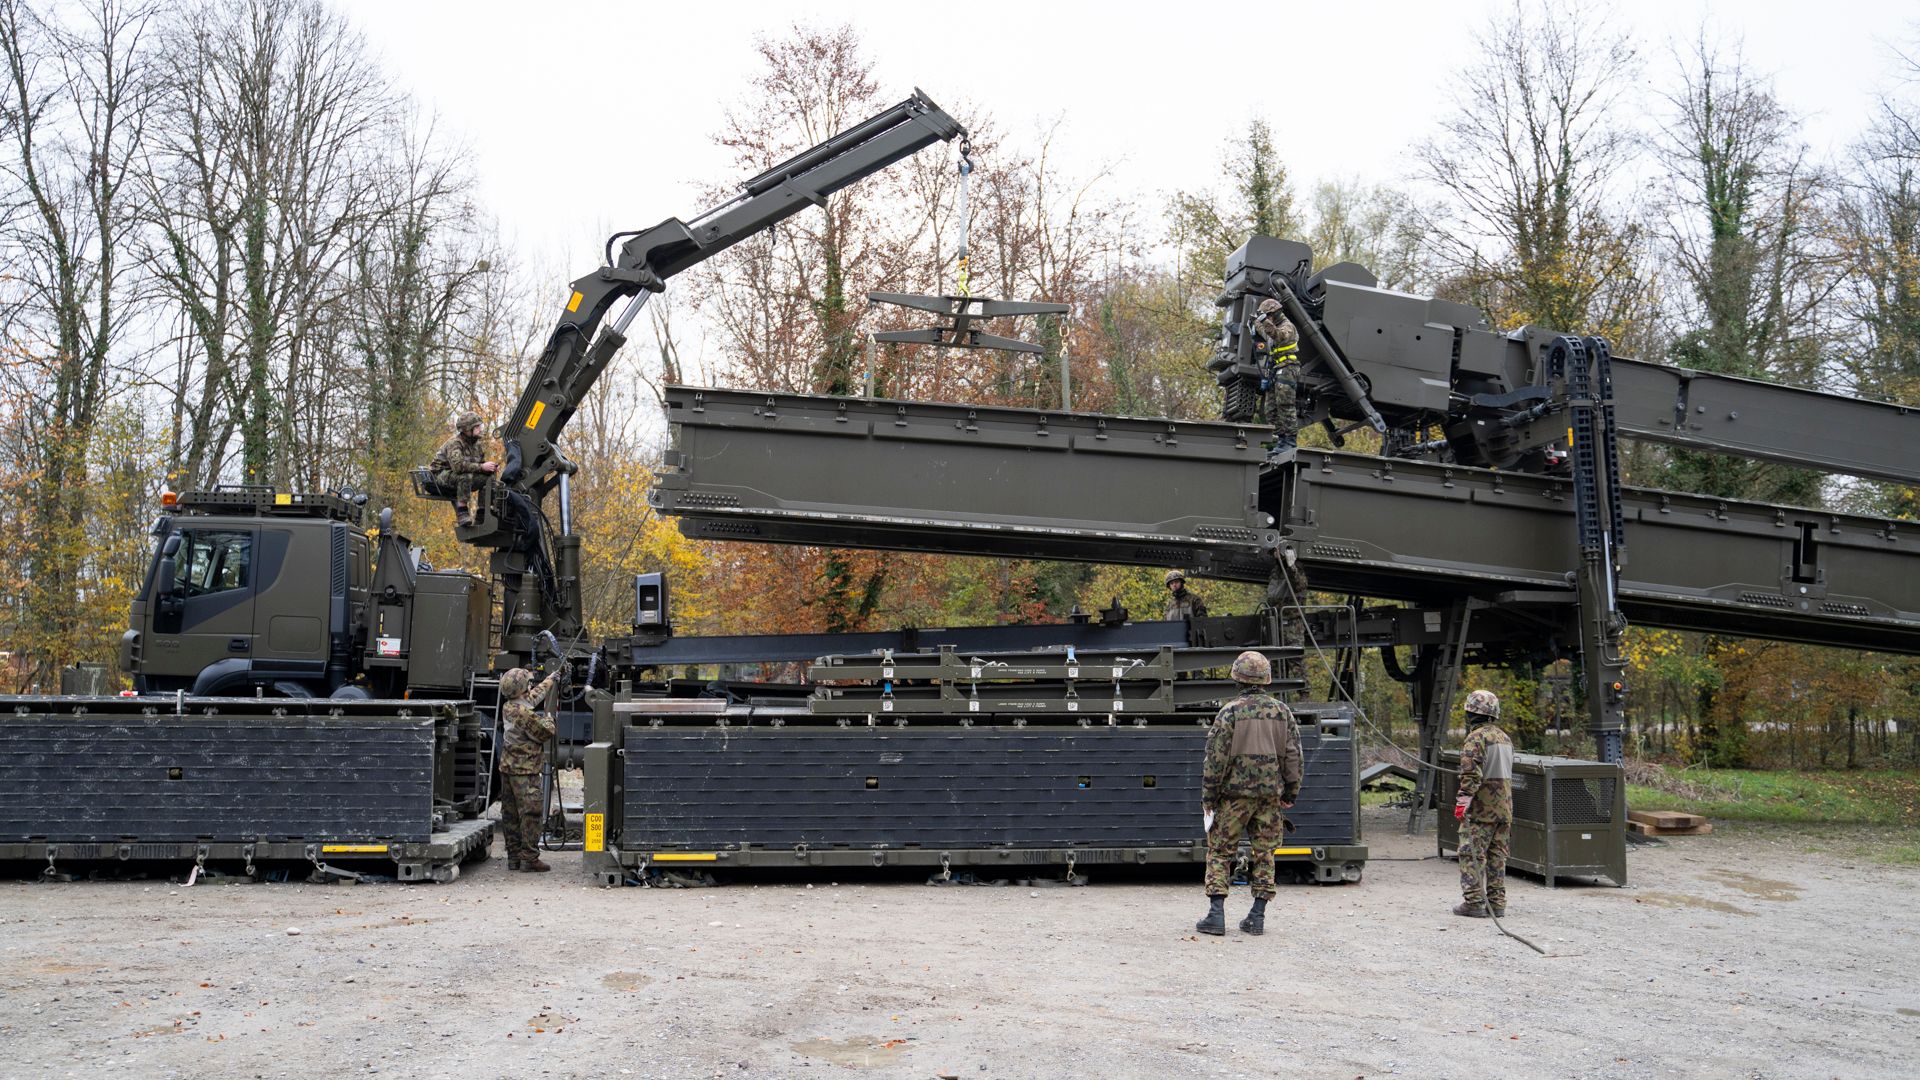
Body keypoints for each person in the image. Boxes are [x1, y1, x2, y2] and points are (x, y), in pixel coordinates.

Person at [1197, 650, 1303, 937]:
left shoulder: (1229, 712)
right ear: (1266, 679)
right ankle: (1257, 916)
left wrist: (1209, 796)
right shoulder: (1282, 712)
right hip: (1269, 796)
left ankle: (1215, 916)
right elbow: (1293, 755)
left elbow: (1215, 759)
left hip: (1233, 796)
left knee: (1220, 851)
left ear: (1237, 677)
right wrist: (1291, 792)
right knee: (1265, 852)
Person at [1453, 688, 1514, 917]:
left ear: (1471, 714)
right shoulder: (1504, 737)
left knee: (1471, 854)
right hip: (1504, 808)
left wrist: (1463, 800)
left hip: (1482, 809)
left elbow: (1471, 774)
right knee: (1497, 855)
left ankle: (1474, 903)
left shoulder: (1475, 737)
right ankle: (1497, 903)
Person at [497, 664, 560, 872]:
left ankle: (514, 858)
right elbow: (544, 732)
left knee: (511, 815)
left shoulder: (510, 706)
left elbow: (532, 697)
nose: (530, 686)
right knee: (531, 814)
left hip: (507, 768)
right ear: (521, 689)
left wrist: (551, 679)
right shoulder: (524, 713)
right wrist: (550, 719)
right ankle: (530, 858)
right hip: (525, 771)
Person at [430, 411, 497, 527]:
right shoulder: (455, 443)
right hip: (440, 475)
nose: (480, 429)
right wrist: (481, 467)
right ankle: (462, 513)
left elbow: (479, 465)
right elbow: (458, 467)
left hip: (458, 475)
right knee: (465, 476)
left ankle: (482, 513)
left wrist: (488, 468)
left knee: (489, 477)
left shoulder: (476, 445)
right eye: (477, 426)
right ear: (467, 429)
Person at [1252, 297, 1301, 447]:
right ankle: (1281, 440)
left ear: (1275, 313)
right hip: (1276, 369)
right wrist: (1255, 322)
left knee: (1285, 405)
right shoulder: (1272, 327)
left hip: (1288, 368)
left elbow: (1278, 335)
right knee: (1270, 409)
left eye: (1268, 315)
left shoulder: (1288, 327)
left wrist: (1264, 322)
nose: (1268, 319)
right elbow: (1267, 333)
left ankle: (1290, 441)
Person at [1266, 543, 1310, 680]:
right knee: (1276, 661)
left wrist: (1292, 567)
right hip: (1276, 621)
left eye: (1277, 551)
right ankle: (1278, 693)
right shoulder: (1276, 570)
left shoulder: (1295, 569)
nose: (1275, 554)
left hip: (1292, 623)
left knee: (1295, 658)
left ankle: (1304, 693)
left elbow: (1300, 585)